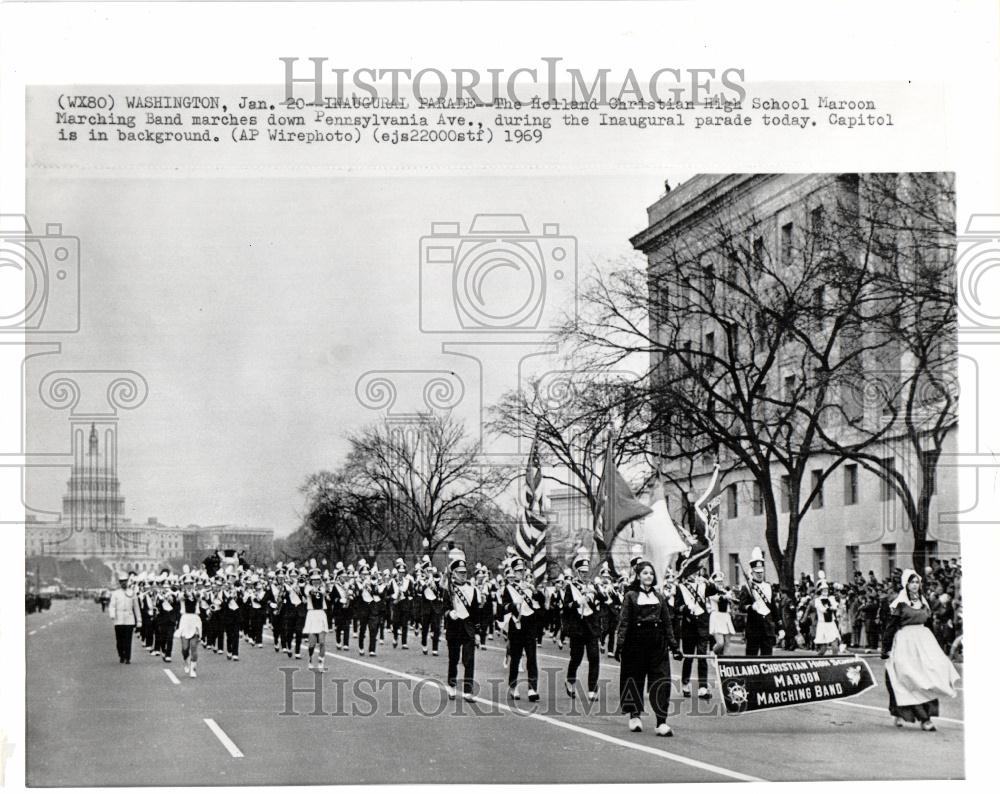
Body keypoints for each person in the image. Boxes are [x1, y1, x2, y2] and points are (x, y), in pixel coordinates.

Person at [881, 569, 961, 731]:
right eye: (912, 582)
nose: (915, 585)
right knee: (907, 676)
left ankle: (926, 716)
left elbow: (930, 624)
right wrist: (886, 647)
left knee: (928, 676)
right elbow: (891, 627)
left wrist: (937, 648)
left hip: (924, 641)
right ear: (906, 584)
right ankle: (921, 717)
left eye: (917, 582)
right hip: (905, 642)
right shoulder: (899, 603)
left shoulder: (924, 602)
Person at [615, 560, 683, 736]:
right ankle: (635, 716)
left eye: (651, 574)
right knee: (634, 678)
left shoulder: (659, 597)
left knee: (661, 680)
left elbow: (667, 623)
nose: (648, 576)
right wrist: (620, 644)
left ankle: (661, 722)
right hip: (635, 643)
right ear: (638, 576)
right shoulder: (630, 596)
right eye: (645, 573)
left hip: (657, 644)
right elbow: (624, 622)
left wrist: (674, 646)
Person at [561, 546, 605, 701]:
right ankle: (570, 679)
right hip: (578, 628)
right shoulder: (571, 587)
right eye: (582, 572)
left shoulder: (593, 586)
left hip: (592, 627)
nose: (585, 574)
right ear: (577, 572)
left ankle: (592, 689)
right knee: (577, 657)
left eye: (587, 572)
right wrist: (577, 602)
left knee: (594, 658)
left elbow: (604, 600)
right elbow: (565, 607)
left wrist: (595, 593)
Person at [500, 556, 543, 702]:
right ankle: (513, 686)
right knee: (516, 658)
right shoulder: (509, 588)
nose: (521, 573)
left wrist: (534, 590)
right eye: (518, 571)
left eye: (522, 570)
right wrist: (513, 605)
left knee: (532, 657)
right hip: (516, 625)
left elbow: (541, 604)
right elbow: (503, 608)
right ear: (513, 572)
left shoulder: (529, 586)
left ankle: (532, 688)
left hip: (529, 623)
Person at [443, 549, 480, 701]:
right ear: (454, 574)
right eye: (460, 572)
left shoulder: (472, 590)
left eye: (464, 572)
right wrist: (449, 614)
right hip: (453, 629)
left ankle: (468, 691)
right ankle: (451, 686)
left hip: (468, 629)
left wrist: (478, 632)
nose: (463, 575)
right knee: (454, 658)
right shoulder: (448, 590)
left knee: (469, 660)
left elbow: (477, 613)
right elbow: (443, 609)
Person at [676, 569, 716, 699]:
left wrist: (708, 581)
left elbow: (715, 590)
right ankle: (685, 683)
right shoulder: (681, 587)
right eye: (691, 571)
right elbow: (677, 607)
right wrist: (686, 608)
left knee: (702, 655)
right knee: (689, 657)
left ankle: (703, 687)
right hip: (689, 625)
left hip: (702, 625)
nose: (693, 574)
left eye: (695, 571)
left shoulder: (703, 585)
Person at [738, 546, 778, 656]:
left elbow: (773, 607)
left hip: (767, 629)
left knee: (767, 659)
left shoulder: (768, 587)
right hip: (753, 629)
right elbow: (741, 606)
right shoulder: (747, 587)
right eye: (757, 572)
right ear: (752, 572)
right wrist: (751, 607)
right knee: (751, 659)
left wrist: (779, 627)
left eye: (761, 572)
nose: (760, 574)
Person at [109, 572, 141, 664]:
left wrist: (139, 620)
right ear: (119, 582)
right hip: (118, 620)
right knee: (119, 641)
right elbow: (112, 605)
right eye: (122, 581)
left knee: (128, 640)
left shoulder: (132, 593)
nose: (123, 583)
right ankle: (121, 655)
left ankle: (127, 657)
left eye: (125, 581)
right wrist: (112, 614)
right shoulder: (116, 593)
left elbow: (136, 607)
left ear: (127, 582)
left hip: (129, 619)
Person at [303, 567, 329, 671]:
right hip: (312, 615)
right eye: (313, 579)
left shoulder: (323, 588)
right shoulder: (307, 588)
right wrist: (317, 588)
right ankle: (310, 658)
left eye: (318, 579)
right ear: (310, 580)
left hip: (321, 614)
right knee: (312, 643)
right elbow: (312, 593)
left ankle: (321, 662)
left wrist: (326, 583)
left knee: (322, 642)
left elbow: (326, 592)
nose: (316, 581)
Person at [178, 573, 203, 678]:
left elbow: (199, 597)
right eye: (187, 583)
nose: (189, 585)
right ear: (184, 585)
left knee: (193, 646)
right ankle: (186, 661)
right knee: (185, 647)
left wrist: (195, 593)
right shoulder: (181, 594)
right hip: (185, 620)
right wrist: (187, 593)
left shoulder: (197, 593)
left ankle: (193, 668)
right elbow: (182, 597)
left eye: (191, 583)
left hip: (195, 619)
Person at [707, 571, 736, 656]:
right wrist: (727, 596)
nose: (720, 583)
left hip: (725, 617)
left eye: (721, 581)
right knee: (720, 643)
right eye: (717, 581)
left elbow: (731, 603)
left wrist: (732, 599)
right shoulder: (711, 592)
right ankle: (713, 652)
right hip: (716, 617)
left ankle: (725, 664)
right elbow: (719, 598)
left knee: (727, 644)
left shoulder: (725, 591)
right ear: (714, 582)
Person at [812, 582, 841, 655]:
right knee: (823, 648)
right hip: (823, 625)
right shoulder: (817, 600)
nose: (826, 591)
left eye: (826, 589)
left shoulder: (831, 599)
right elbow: (822, 609)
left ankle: (835, 661)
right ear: (820, 590)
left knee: (835, 645)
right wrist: (829, 608)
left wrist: (833, 606)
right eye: (823, 589)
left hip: (831, 624)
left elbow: (835, 606)